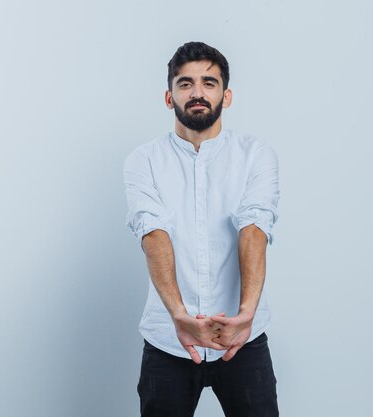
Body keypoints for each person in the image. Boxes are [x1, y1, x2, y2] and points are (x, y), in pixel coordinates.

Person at [123, 41, 280, 417]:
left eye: (209, 83)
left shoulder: (255, 155)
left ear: (226, 96)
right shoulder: (143, 160)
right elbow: (153, 233)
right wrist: (179, 314)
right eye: (185, 83)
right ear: (168, 96)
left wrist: (245, 315)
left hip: (242, 338)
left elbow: (254, 230)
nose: (197, 93)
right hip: (168, 339)